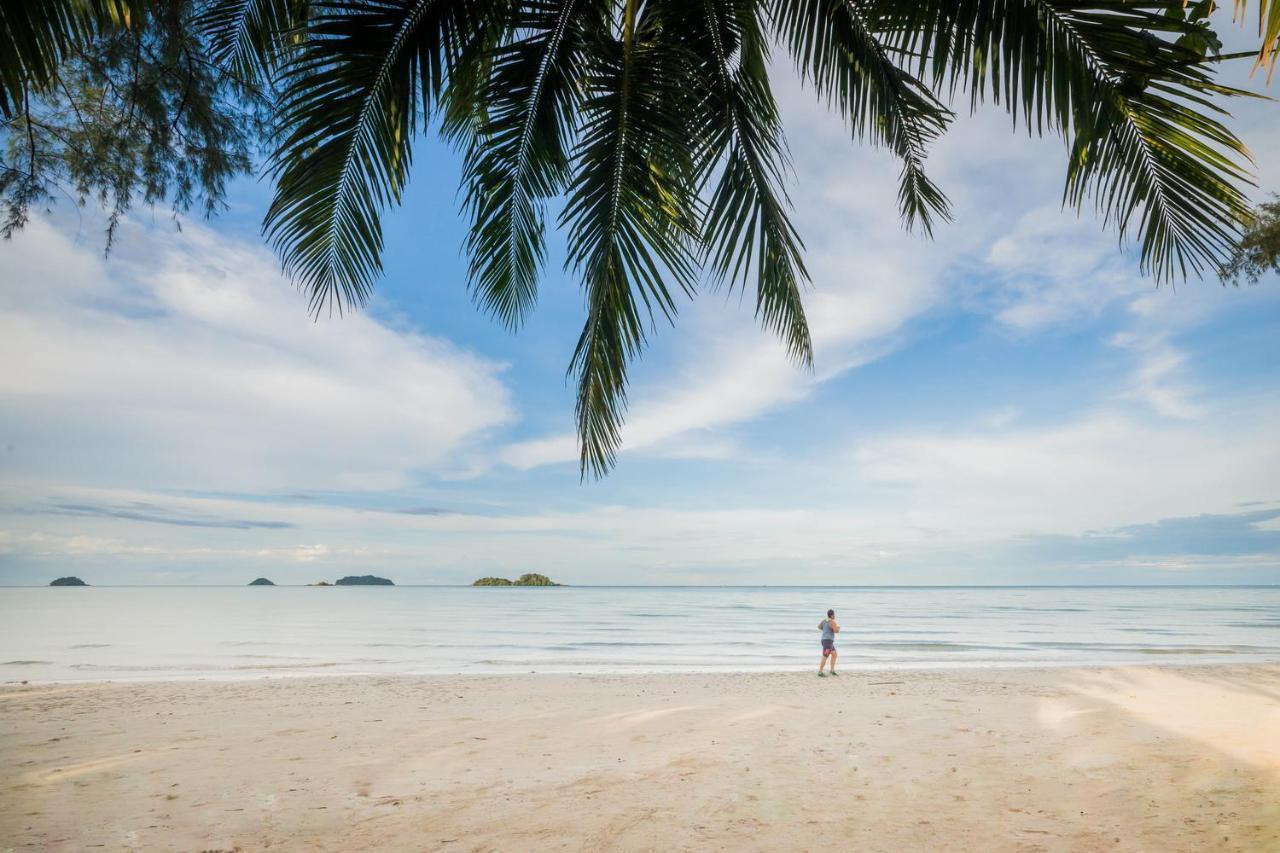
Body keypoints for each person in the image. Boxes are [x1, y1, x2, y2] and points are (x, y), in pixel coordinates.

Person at [817, 609, 839, 677]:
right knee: (825, 655)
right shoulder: (832, 621)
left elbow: (819, 627)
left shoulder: (824, 620)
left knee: (834, 654)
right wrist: (838, 627)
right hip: (828, 641)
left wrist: (825, 630)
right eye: (834, 614)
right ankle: (820, 672)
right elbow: (836, 631)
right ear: (832, 615)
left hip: (825, 640)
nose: (834, 616)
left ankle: (832, 670)